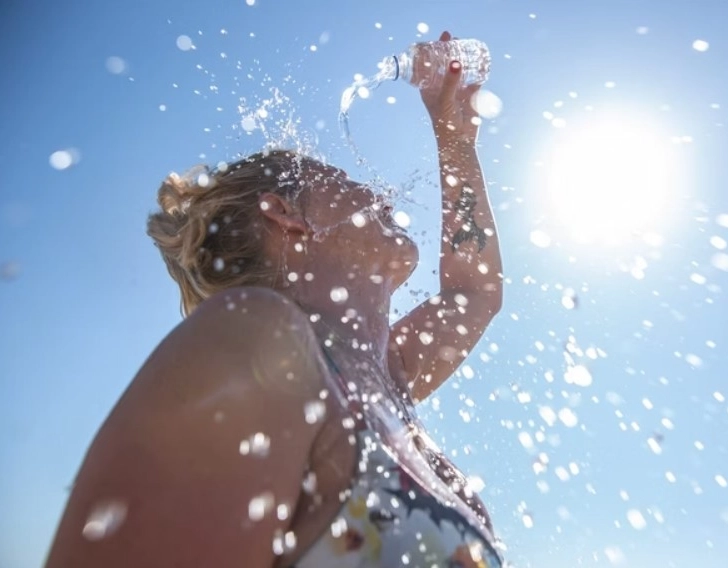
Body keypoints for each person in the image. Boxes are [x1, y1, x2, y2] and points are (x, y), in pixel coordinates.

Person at [44, 30, 504, 568]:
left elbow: (473, 293)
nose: (379, 195)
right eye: (342, 179)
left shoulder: (387, 377)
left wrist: (454, 137)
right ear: (286, 215)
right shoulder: (261, 344)